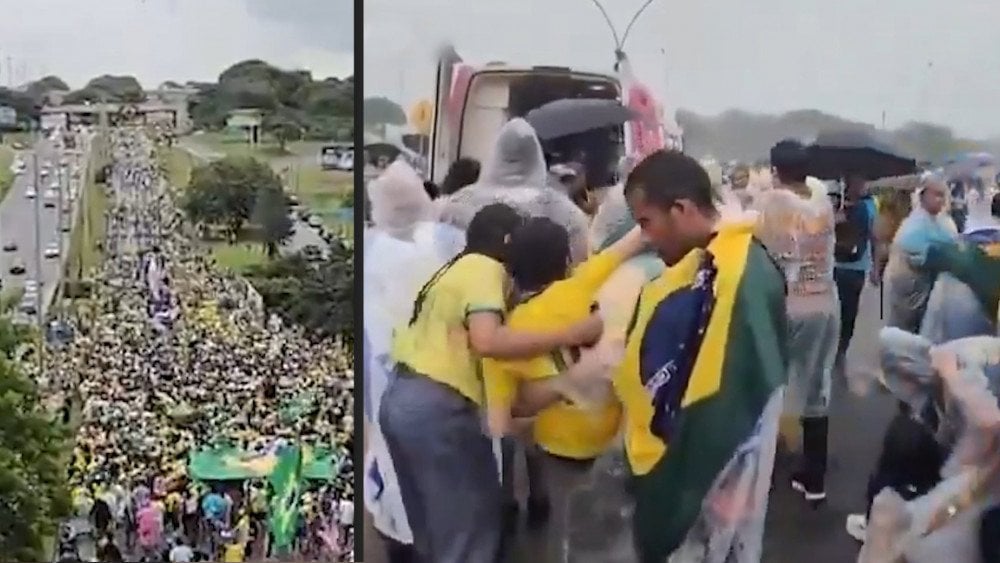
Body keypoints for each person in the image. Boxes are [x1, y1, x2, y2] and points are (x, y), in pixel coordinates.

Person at [379, 203, 602, 563]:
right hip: (438, 407)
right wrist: (574, 333)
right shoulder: (484, 268)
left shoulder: (454, 269)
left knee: (438, 528)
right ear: (505, 240)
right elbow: (487, 341)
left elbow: (515, 400)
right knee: (471, 522)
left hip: (404, 401)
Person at [610, 150, 788, 561]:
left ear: (682, 209)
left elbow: (717, 419)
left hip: (701, 501)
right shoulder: (711, 260)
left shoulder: (738, 277)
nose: (645, 238)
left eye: (646, 223)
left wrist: (664, 513)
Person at [482, 218, 645, 561]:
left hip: (557, 445)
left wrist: (537, 407)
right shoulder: (583, 283)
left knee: (561, 526)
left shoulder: (506, 337)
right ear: (567, 261)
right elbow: (630, 243)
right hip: (612, 434)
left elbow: (500, 425)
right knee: (608, 518)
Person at [754, 140, 839, 503]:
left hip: (792, 305)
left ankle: (763, 471)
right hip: (826, 301)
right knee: (817, 385)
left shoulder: (773, 203)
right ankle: (814, 478)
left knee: (774, 384)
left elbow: (758, 249)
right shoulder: (821, 200)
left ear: (775, 171)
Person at [833, 174, 878, 364]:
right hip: (838, 265)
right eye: (859, 182)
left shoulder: (869, 205)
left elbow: (875, 237)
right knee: (841, 310)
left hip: (856, 266)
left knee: (850, 310)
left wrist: (876, 266)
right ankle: (838, 347)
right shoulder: (836, 204)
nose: (862, 186)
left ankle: (842, 346)